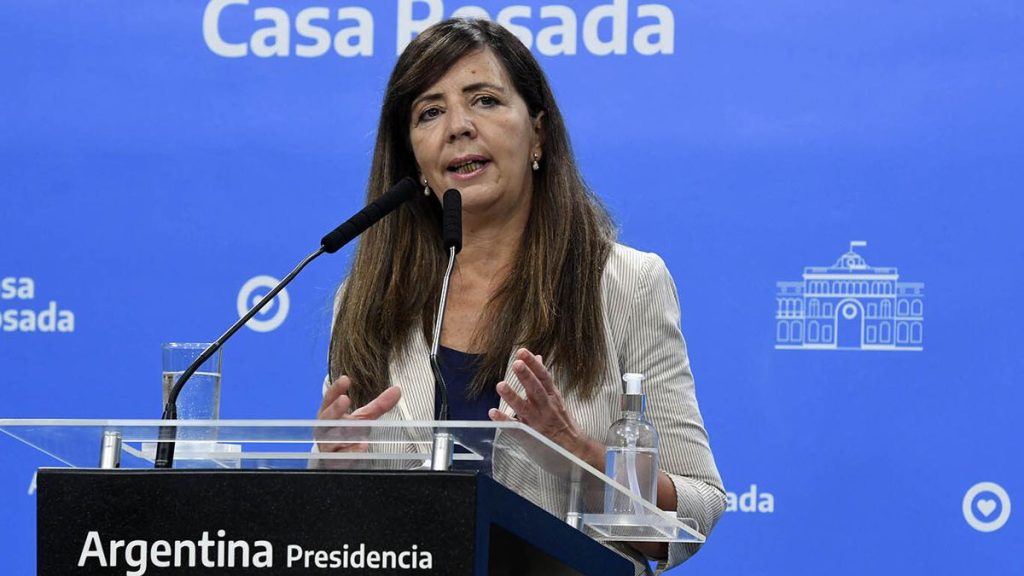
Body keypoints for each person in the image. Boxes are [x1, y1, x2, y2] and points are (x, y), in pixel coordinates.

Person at [316, 18, 724, 575]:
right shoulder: (368, 302)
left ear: (538, 134)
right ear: (414, 160)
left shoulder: (625, 284)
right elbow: (336, 529)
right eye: (430, 112)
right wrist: (329, 474)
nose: (458, 127)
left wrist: (576, 455)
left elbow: (696, 511)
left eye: (484, 100)